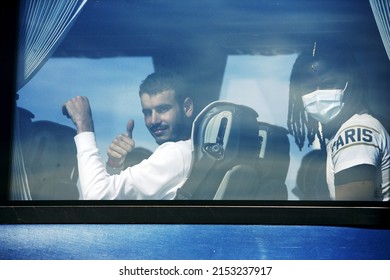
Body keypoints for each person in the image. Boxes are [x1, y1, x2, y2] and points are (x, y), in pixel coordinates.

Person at [62, 71, 194, 199]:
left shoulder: (176, 153)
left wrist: (84, 124)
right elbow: (116, 204)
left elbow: (96, 196)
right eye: (147, 112)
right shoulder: (190, 152)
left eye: (163, 109)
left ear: (187, 107)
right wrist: (114, 164)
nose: (153, 120)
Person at [287, 41, 389, 201]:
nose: (317, 94)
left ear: (350, 83)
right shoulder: (344, 132)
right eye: (309, 88)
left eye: (328, 84)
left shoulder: (355, 133)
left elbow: (353, 217)